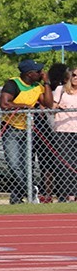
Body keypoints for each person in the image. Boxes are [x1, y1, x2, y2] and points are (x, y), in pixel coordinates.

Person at [0, 59, 53, 204]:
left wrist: (46, 83)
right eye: (38, 71)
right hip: (10, 129)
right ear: (29, 74)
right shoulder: (13, 84)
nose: (41, 73)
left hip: (27, 130)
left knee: (26, 166)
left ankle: (17, 198)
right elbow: (4, 104)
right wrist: (24, 106)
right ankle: (31, 189)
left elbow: (48, 104)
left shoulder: (37, 86)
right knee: (14, 164)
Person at [52, 67, 77, 202]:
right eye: (73, 75)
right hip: (63, 130)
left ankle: (74, 193)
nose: (75, 78)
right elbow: (52, 107)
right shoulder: (61, 90)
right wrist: (59, 107)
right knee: (66, 163)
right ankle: (65, 195)